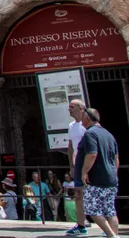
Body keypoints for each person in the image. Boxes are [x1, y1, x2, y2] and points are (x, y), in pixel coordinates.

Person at [78, 107, 120, 238]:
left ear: (88, 118)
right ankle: (113, 235)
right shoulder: (109, 134)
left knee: (92, 209)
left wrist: (84, 172)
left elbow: (92, 154)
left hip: (96, 178)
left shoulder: (90, 133)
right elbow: (116, 159)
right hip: (111, 178)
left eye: (83, 117)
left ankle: (111, 235)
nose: (81, 120)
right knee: (110, 211)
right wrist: (113, 173)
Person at [66, 99, 89, 235]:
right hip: (78, 164)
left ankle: (107, 224)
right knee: (79, 194)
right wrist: (71, 165)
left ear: (81, 109)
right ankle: (81, 225)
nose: (69, 109)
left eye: (72, 107)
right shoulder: (71, 125)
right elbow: (71, 147)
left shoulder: (88, 125)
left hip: (89, 163)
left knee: (96, 194)